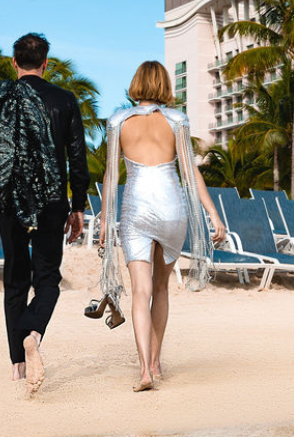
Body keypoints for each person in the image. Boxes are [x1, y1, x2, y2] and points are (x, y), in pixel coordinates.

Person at [95, 61, 225, 392]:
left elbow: (111, 176)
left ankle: (143, 371)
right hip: (171, 209)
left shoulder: (118, 121)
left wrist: (104, 222)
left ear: (136, 83)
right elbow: (190, 174)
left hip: (136, 208)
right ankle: (156, 360)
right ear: (165, 85)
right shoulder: (177, 120)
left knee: (141, 292)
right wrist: (213, 215)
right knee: (162, 289)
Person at [0, 33, 89, 395]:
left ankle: (16, 366)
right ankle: (34, 333)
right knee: (48, 279)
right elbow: (77, 160)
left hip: (7, 197)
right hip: (52, 200)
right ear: (45, 63)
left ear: (14, 62)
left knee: (15, 278)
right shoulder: (65, 100)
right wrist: (79, 206)